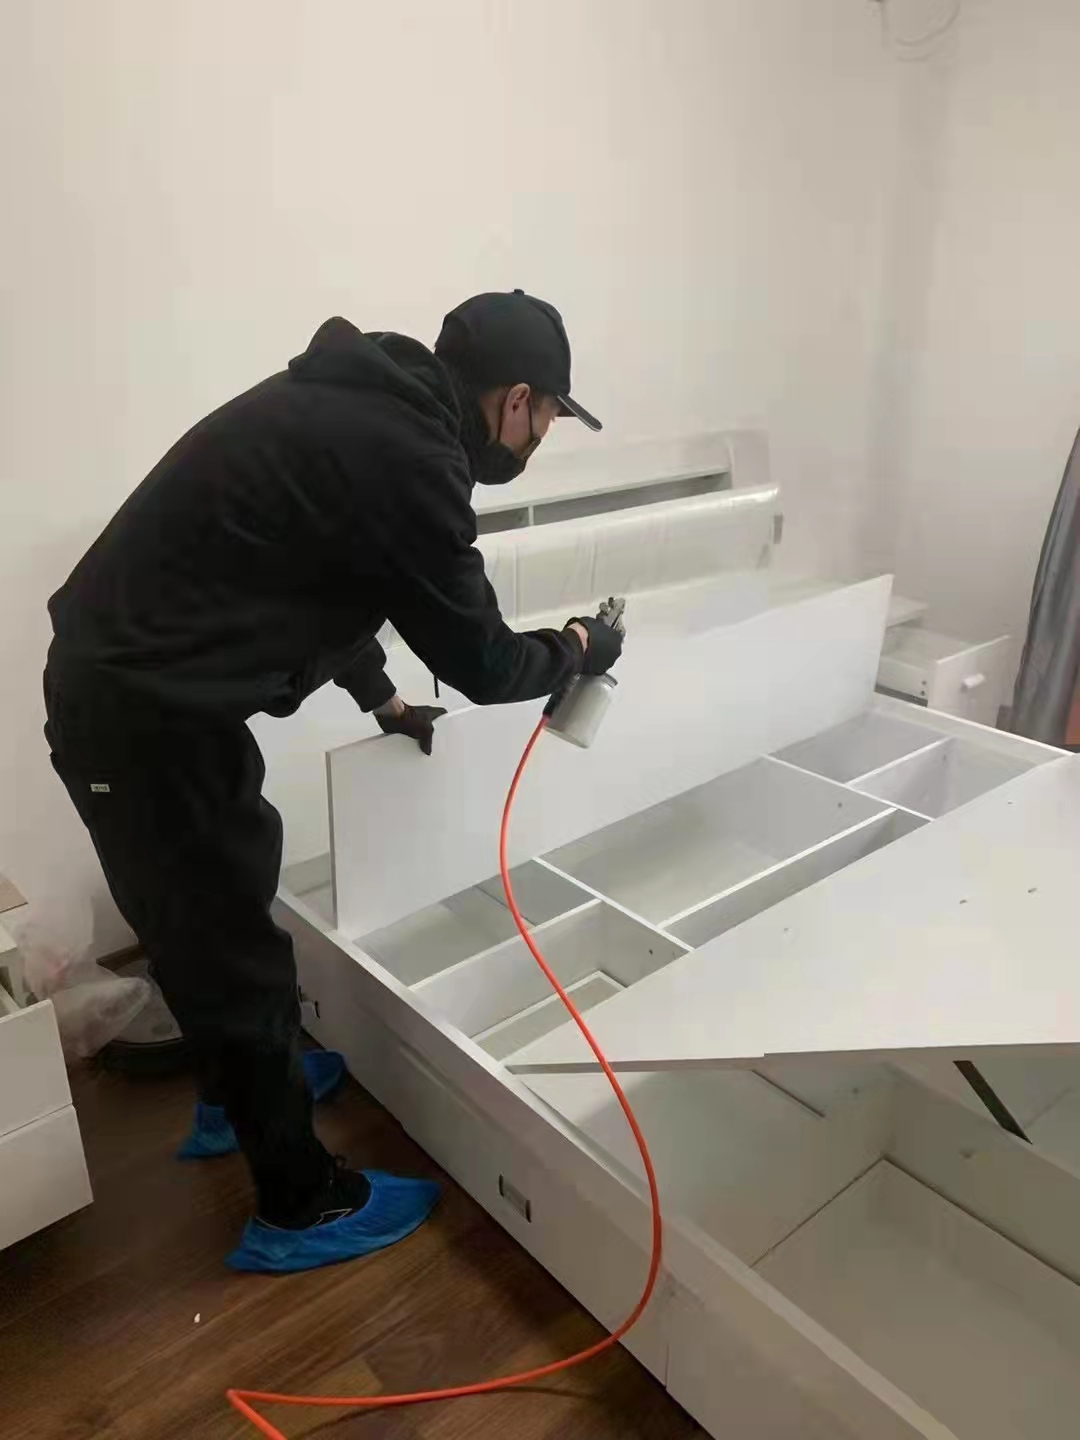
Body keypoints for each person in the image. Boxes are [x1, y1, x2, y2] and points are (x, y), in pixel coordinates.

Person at [44, 290, 623, 1273]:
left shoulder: (367, 411)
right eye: (548, 422)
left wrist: (385, 703)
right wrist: (573, 647)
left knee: (205, 919)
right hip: (140, 713)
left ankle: (233, 1099)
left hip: (151, 695)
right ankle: (301, 1206)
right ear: (517, 399)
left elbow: (327, 574)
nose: (538, 443)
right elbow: (485, 662)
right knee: (230, 942)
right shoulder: (411, 456)